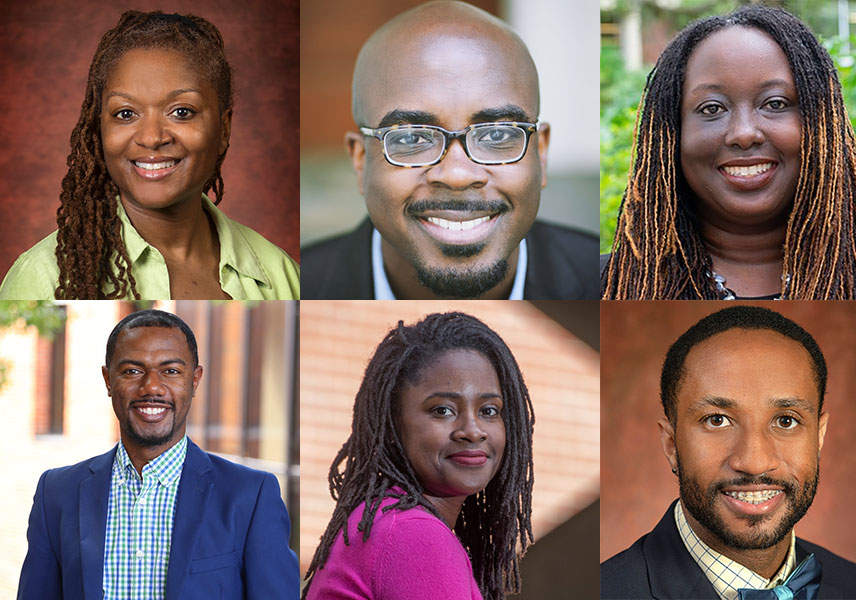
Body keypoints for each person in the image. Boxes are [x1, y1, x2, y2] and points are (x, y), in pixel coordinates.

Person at [300, 1, 601, 300]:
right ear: (360, 160)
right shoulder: (296, 287)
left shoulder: (606, 280)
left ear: (541, 153)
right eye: (411, 139)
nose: (457, 174)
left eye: (497, 134)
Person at [601, 5, 856, 299]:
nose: (744, 134)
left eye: (775, 104)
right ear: (672, 134)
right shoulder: (610, 287)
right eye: (712, 108)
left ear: (822, 124)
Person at [0, 11, 300, 300]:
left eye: (182, 112)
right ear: (99, 129)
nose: (152, 137)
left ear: (223, 129)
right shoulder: (42, 278)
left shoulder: (282, 275)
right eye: (126, 113)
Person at [600, 305, 856, 599]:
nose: (754, 463)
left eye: (786, 421)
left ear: (819, 436)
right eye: (717, 420)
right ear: (671, 444)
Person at [17, 309, 300, 599]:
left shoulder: (250, 496)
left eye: (171, 371)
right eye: (132, 371)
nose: (151, 386)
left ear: (195, 380)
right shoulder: (57, 493)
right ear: (108, 380)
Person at [303, 312, 535, 600]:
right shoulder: (413, 534)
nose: (473, 432)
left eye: (489, 410)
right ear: (393, 423)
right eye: (443, 410)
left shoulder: (390, 520)